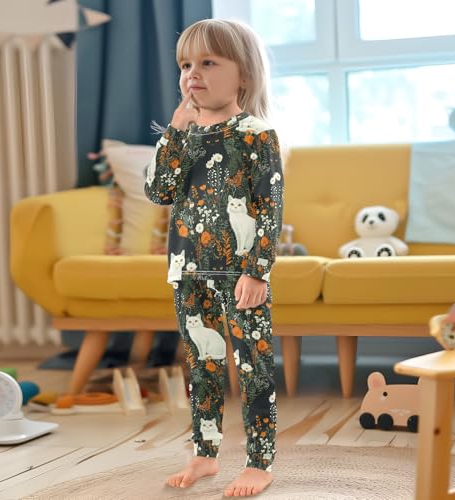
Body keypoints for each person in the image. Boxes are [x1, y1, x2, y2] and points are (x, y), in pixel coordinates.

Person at [145, 18, 284, 497]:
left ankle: (259, 462)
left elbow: (269, 208)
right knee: (202, 365)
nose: (193, 74)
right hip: (187, 270)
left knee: (253, 367)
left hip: (239, 274)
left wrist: (257, 272)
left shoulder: (255, 134)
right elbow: (159, 191)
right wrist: (175, 130)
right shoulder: (182, 136)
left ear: (242, 74)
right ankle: (204, 455)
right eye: (185, 65)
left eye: (207, 62)